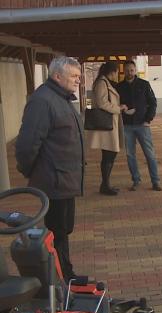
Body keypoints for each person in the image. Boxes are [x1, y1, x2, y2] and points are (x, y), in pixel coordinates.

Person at [15, 56, 83, 281]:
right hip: (54, 180)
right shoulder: (43, 101)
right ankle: (61, 278)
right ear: (57, 76)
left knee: (63, 230)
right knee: (57, 232)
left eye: (79, 76)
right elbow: (27, 144)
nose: (78, 81)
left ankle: (66, 273)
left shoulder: (61, 98)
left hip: (65, 179)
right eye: (74, 76)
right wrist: (30, 171)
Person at [117, 60, 162, 192]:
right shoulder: (119, 87)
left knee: (150, 154)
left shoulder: (144, 84)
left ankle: (156, 181)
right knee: (130, 155)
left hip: (143, 124)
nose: (129, 72)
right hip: (127, 125)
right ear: (123, 71)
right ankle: (136, 180)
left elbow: (153, 103)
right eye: (127, 70)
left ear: (135, 70)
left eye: (131, 70)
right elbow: (115, 104)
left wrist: (148, 119)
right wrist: (122, 109)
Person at [86, 61, 127, 196]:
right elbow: (102, 103)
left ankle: (106, 184)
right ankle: (105, 185)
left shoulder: (104, 82)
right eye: (117, 72)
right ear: (112, 72)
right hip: (107, 125)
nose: (117, 75)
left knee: (109, 155)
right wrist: (118, 108)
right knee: (109, 155)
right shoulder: (102, 83)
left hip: (109, 125)